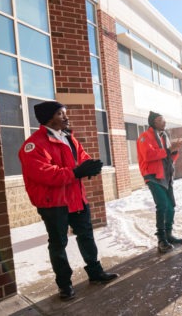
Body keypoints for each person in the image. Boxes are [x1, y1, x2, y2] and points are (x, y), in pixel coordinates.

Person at [18, 101, 119, 301]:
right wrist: (75, 172)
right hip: (53, 202)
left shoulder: (68, 137)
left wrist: (90, 165)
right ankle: (64, 285)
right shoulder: (33, 145)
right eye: (59, 113)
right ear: (48, 118)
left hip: (76, 197)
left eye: (65, 113)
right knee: (58, 243)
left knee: (86, 235)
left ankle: (95, 272)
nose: (65, 116)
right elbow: (44, 174)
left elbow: (81, 157)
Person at [137, 111, 182, 253]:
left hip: (166, 175)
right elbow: (149, 155)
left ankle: (168, 234)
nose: (164, 122)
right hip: (152, 176)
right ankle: (161, 239)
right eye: (160, 120)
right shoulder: (144, 137)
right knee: (162, 205)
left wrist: (174, 151)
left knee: (171, 206)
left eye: (164, 120)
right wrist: (169, 150)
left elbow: (169, 158)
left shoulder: (165, 136)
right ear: (153, 122)